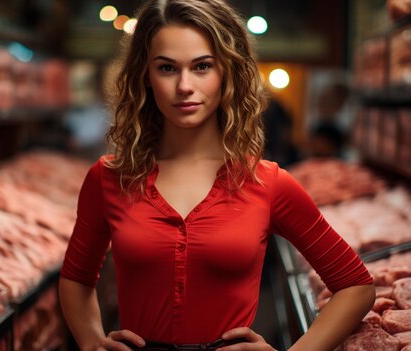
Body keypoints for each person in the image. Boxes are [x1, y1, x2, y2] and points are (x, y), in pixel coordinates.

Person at [59, 1, 375, 351]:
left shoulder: (268, 183)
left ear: (227, 72)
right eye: (166, 68)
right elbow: (76, 277)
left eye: (202, 67)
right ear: (145, 76)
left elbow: (355, 286)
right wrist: (90, 340)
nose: (184, 86)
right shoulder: (109, 178)